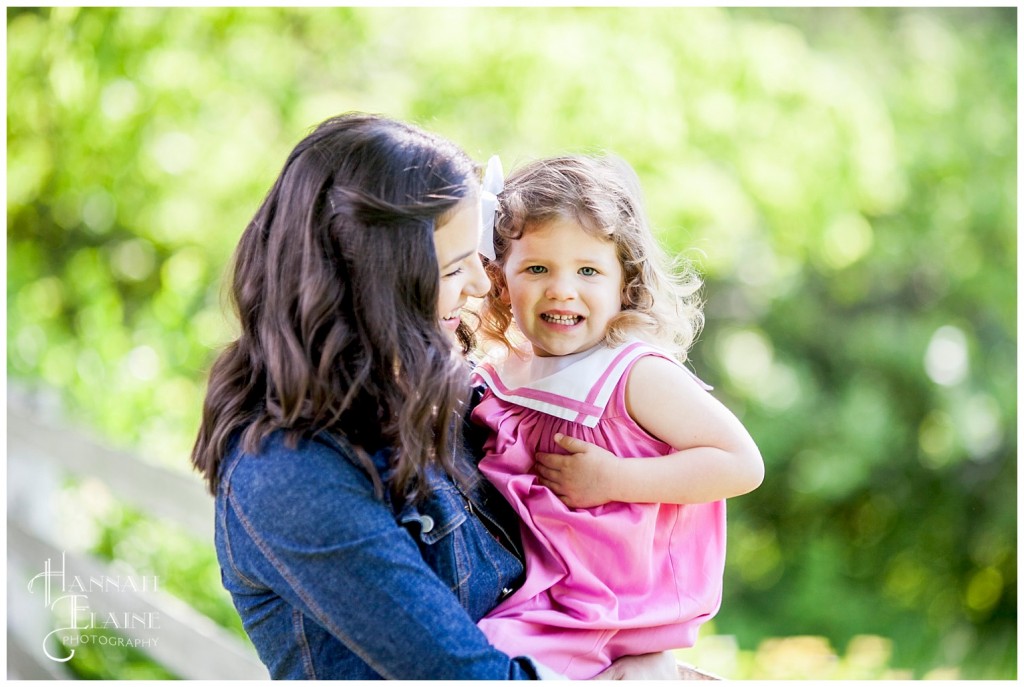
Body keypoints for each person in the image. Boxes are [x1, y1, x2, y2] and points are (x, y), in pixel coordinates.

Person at [190, 113, 679, 680]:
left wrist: (640, 644)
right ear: (377, 284)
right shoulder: (290, 476)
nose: (481, 282)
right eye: (454, 267)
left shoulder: (456, 400)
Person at [470, 154, 765, 679]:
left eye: (588, 270)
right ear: (499, 281)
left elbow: (741, 463)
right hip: (547, 596)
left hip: (609, 606)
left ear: (623, 282)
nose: (562, 288)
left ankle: (647, 658)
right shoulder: (502, 377)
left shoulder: (632, 373)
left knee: (481, 660)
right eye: (537, 269)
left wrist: (615, 478)